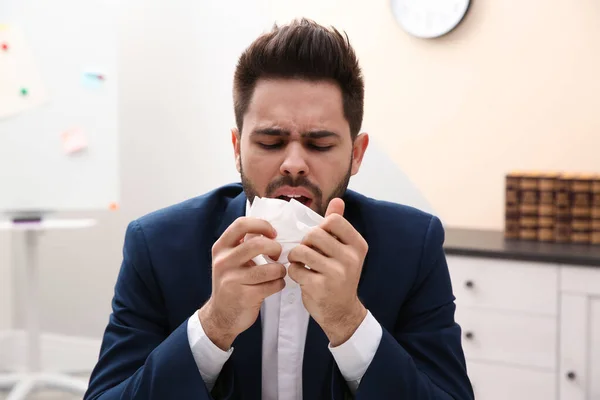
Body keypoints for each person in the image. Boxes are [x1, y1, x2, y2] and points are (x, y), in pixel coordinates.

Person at [84, 18, 473, 400]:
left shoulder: (412, 246)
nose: (293, 164)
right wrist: (214, 325)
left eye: (319, 145)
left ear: (356, 154)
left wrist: (348, 322)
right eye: (271, 142)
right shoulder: (156, 245)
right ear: (237, 148)